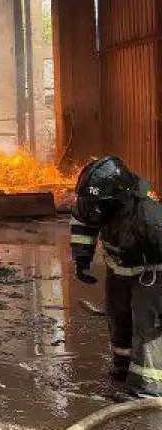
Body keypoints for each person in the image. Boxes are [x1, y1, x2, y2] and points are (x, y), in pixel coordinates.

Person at [72, 156, 162, 398]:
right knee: (118, 316)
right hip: (118, 270)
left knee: (148, 326)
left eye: (99, 204)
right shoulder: (94, 201)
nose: (94, 210)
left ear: (119, 198)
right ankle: (122, 367)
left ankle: (150, 387)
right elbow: (83, 222)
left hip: (151, 275)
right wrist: (81, 259)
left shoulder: (150, 218)